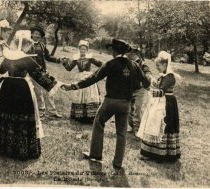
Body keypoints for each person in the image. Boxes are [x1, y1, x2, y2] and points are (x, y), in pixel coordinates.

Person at [61, 38, 149, 169]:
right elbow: (145, 83)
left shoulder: (111, 63)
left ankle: (96, 154)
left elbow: (93, 78)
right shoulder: (134, 65)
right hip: (125, 104)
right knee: (121, 132)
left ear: (114, 51)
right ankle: (118, 163)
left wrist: (73, 86)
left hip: (110, 102)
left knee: (98, 122)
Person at [0, 30, 62, 160]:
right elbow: (40, 75)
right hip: (22, 89)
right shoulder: (27, 59)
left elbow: (1, 72)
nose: (30, 47)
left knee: (8, 113)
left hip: (7, 87)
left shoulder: (9, 57)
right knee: (22, 115)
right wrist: (57, 84)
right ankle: (21, 148)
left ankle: (5, 145)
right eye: (28, 45)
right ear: (25, 45)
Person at [137, 51, 181, 162]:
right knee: (153, 124)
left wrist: (152, 91)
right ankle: (151, 152)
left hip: (167, 104)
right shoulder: (164, 76)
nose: (157, 68)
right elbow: (160, 87)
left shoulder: (170, 76)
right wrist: (152, 83)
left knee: (163, 125)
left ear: (165, 65)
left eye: (158, 65)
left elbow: (162, 91)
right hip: (161, 102)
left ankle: (163, 153)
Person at [62, 40, 103, 123]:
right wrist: (64, 62)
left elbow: (100, 64)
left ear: (87, 50)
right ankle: (79, 116)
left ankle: (90, 116)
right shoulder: (76, 58)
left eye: (84, 49)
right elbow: (69, 68)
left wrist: (97, 73)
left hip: (89, 78)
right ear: (79, 49)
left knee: (89, 96)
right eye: (81, 49)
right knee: (79, 96)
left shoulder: (90, 58)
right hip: (80, 78)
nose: (82, 51)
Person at [29, 26, 63, 118]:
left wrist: (59, 60)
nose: (37, 35)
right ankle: (41, 111)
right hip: (32, 72)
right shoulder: (26, 44)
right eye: (36, 33)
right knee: (38, 92)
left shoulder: (42, 45)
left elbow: (48, 57)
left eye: (39, 34)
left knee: (50, 89)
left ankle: (52, 112)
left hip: (42, 72)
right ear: (31, 34)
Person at [126, 48, 152, 135]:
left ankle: (138, 128)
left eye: (132, 55)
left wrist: (148, 76)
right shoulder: (128, 63)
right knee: (129, 109)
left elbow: (148, 73)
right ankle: (131, 125)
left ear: (137, 55)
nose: (130, 56)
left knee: (138, 108)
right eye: (129, 55)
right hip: (130, 89)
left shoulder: (143, 64)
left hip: (139, 90)